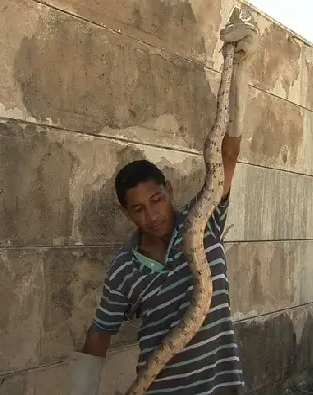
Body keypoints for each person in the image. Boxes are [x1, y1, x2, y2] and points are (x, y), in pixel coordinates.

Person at [69, 12, 258, 395]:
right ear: (127, 213)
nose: (152, 214)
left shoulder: (202, 220)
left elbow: (229, 153)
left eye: (156, 199)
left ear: (168, 189)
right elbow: (99, 334)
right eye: (138, 209)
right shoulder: (124, 269)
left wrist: (239, 70)